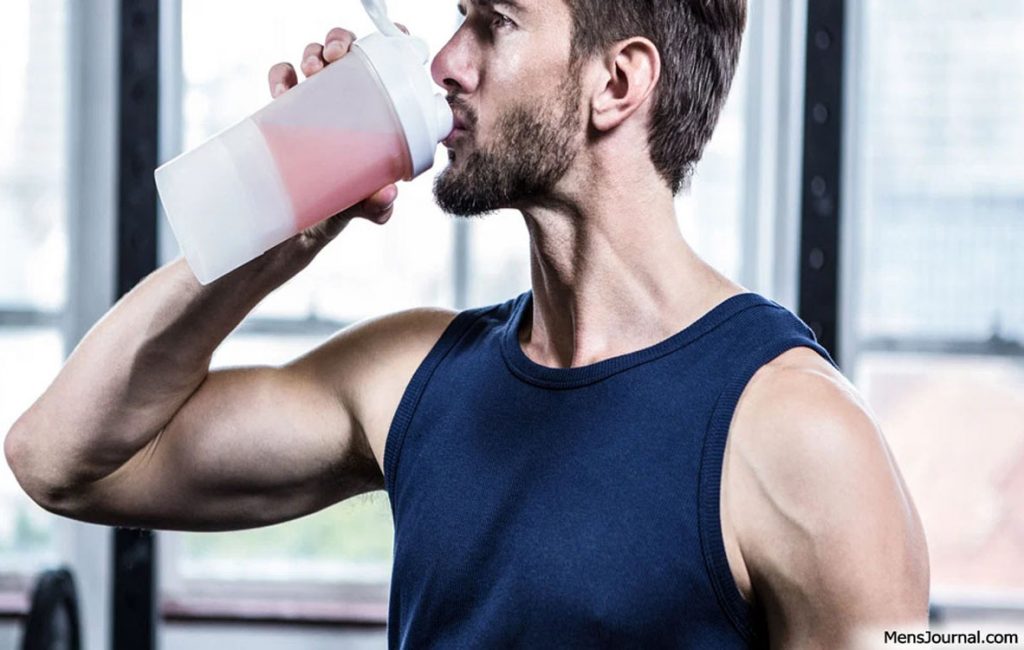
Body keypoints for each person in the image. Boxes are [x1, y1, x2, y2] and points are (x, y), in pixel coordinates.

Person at [6, 0, 929, 647]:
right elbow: (62, 460)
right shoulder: (413, 378)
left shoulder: (802, 438)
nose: (445, 62)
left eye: (496, 21)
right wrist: (280, 219)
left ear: (617, 81)